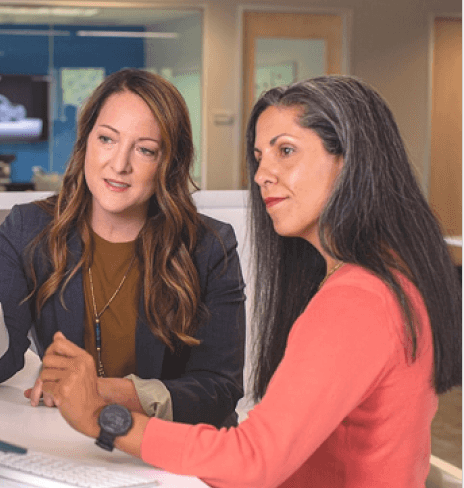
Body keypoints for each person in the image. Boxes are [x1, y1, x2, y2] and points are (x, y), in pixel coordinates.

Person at [37, 75, 462, 487]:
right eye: (260, 157)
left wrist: (103, 419)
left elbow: (254, 461)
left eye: (286, 151)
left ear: (351, 161)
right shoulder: (389, 275)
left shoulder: (357, 299)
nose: (262, 175)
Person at [0, 68, 246, 427]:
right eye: (107, 140)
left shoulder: (209, 247)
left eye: (145, 150)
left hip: (167, 453)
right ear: (85, 142)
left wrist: (98, 390)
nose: (119, 165)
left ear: (168, 163)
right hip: (69, 444)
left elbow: (219, 391)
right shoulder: (28, 229)